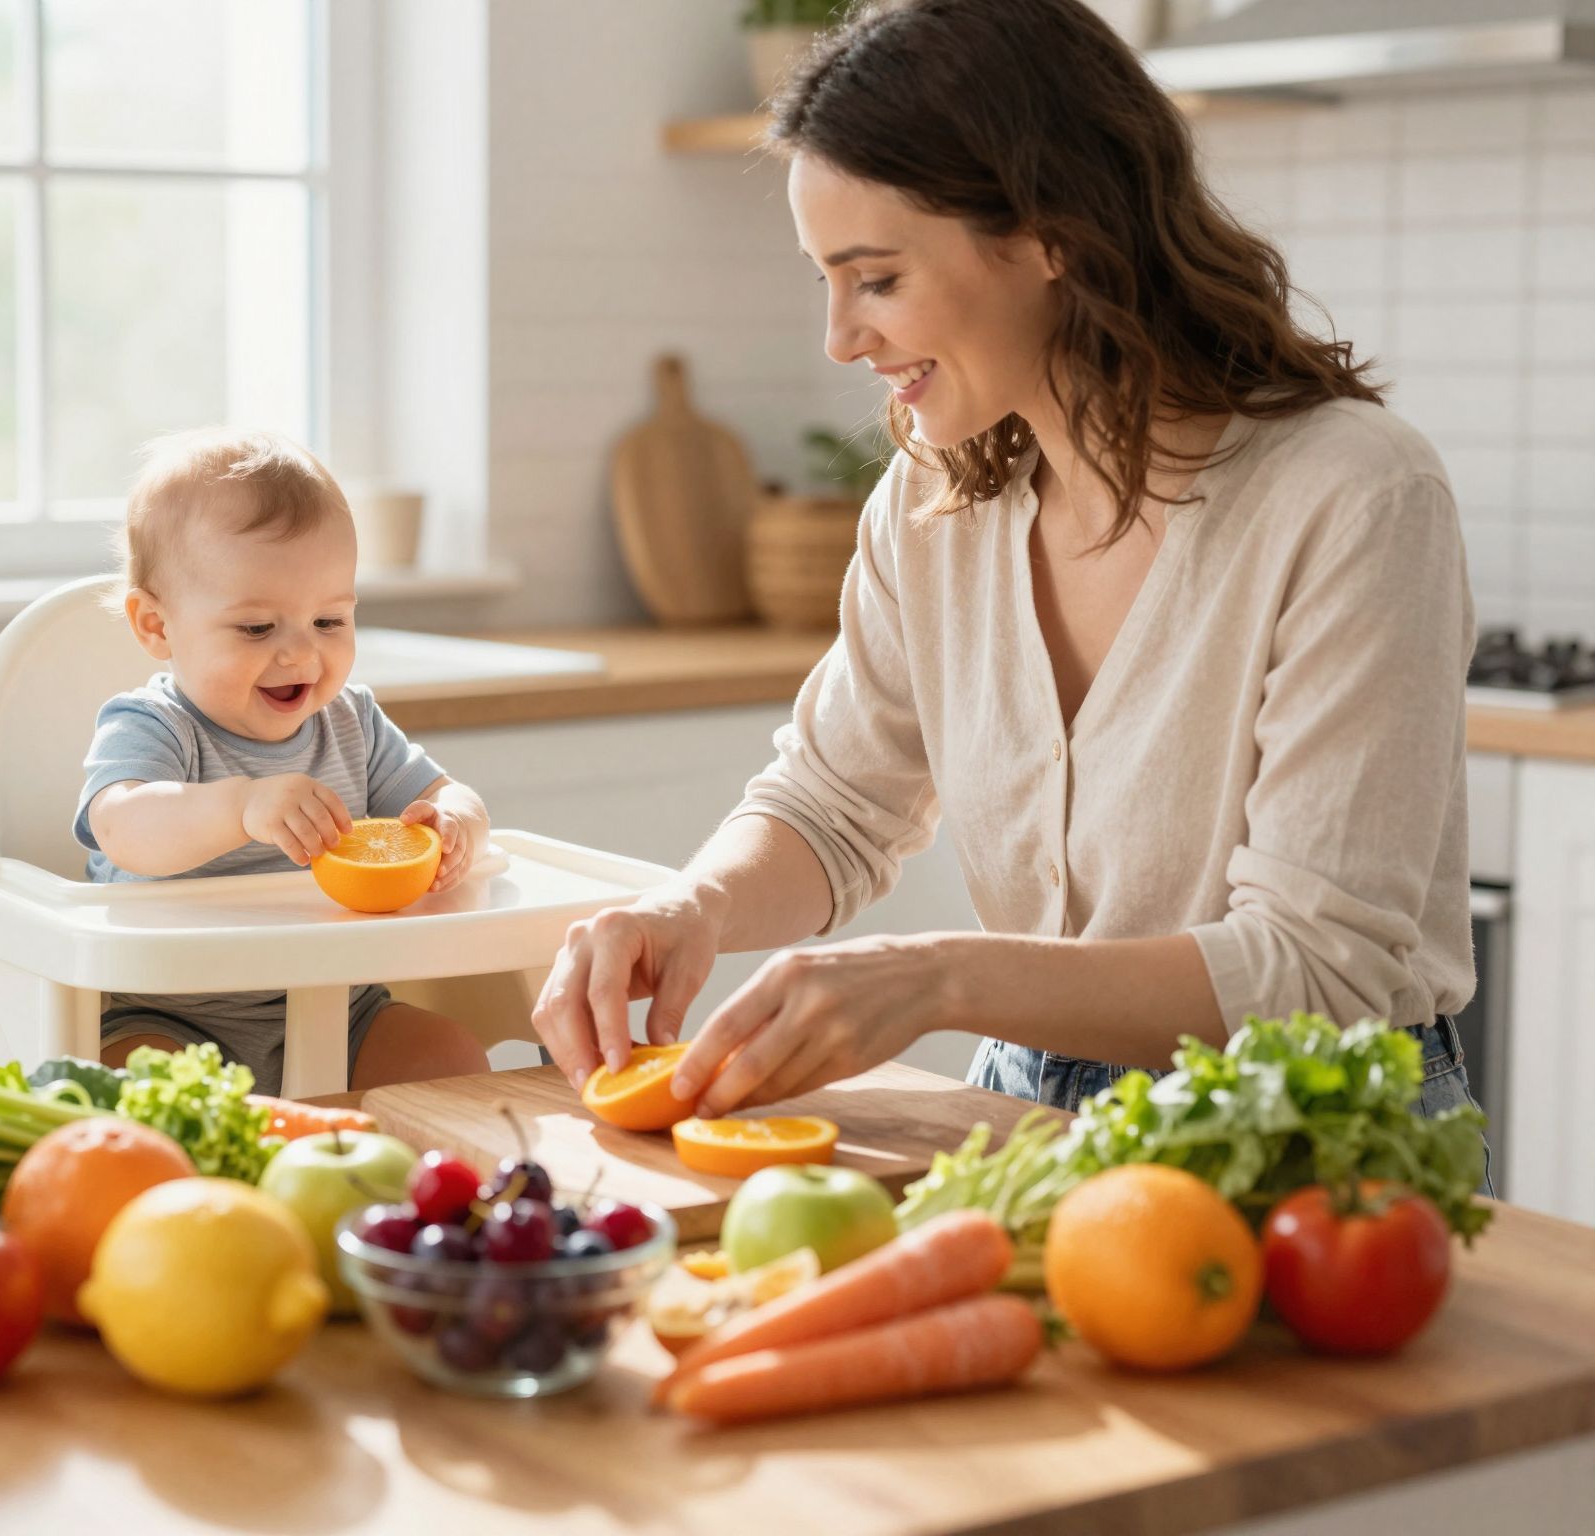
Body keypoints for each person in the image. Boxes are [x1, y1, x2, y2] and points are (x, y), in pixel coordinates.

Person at [531, 0, 1487, 1136]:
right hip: (1025, 1115)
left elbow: (1316, 972)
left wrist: (935, 979)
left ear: (1050, 238)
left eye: (875, 279)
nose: (841, 337)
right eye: (822, 281)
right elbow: (833, 802)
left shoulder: (1351, 494)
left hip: (1311, 1153)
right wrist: (688, 905)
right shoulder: (934, 507)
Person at [75, 427, 491, 1092]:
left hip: (341, 1006)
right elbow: (123, 828)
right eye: (257, 628)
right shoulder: (153, 726)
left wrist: (457, 824)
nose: (300, 654)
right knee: (129, 1087)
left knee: (451, 1059)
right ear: (156, 626)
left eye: (330, 622)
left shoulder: (351, 723)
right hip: (171, 1014)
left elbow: (446, 792)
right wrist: (241, 806)